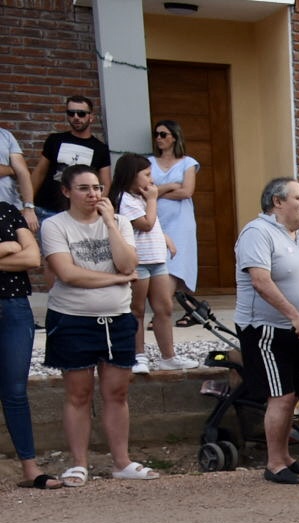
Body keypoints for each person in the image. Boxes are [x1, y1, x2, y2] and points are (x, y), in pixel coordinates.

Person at [38, 164, 157, 485]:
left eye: (97, 188)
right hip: (72, 318)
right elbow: (68, 274)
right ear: (66, 192)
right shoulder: (54, 225)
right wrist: (117, 279)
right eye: (84, 189)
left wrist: (109, 223)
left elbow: (129, 263)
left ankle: (122, 461)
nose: (93, 195)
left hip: (117, 318)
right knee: (79, 393)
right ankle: (79, 463)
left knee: (117, 392)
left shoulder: (118, 222)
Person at [235, 176, 299, 485]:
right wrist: (296, 315)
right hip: (269, 329)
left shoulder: (298, 235)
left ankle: (286, 456)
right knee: (281, 396)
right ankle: (274, 463)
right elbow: (261, 281)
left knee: (294, 394)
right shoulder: (257, 232)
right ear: (277, 202)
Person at [109, 153, 194, 373]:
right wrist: (153, 199)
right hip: (140, 262)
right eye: (146, 175)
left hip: (157, 259)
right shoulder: (124, 198)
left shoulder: (141, 198)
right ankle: (138, 355)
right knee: (137, 310)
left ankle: (168, 355)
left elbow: (153, 225)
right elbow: (145, 224)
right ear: (131, 176)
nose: (151, 180)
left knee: (164, 307)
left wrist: (164, 237)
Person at [0, 196, 56, 487]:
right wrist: (7, 247)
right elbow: (20, 253)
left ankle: (30, 468)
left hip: (13, 308)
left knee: (15, 392)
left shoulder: (6, 211)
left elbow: (32, 258)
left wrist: (15, 250)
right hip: (12, 309)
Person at [31, 96, 111, 223]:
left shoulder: (100, 148)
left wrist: (96, 207)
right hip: (47, 209)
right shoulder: (55, 140)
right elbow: (40, 172)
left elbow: (105, 183)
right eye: (71, 113)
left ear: (91, 117)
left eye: (81, 113)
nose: (76, 117)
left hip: (81, 212)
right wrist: (27, 205)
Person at [148, 119, 200, 304]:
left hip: (180, 220)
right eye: (156, 134)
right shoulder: (149, 162)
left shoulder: (188, 163)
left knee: (175, 261)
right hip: (156, 217)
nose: (158, 138)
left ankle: (163, 308)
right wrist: (169, 186)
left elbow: (186, 191)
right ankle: (165, 306)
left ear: (174, 137)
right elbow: (145, 191)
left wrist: (157, 192)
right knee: (159, 261)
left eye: (163, 134)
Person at [0, 125, 38, 232]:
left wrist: (29, 208)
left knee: (21, 247)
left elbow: (23, 172)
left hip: (11, 207)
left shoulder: (6, 135)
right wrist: (11, 170)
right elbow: (17, 170)